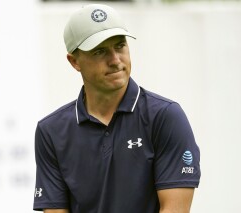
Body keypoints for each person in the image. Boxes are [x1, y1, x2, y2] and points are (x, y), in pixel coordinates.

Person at [33, 3, 200, 213]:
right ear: (74, 61)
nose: (115, 60)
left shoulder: (165, 116)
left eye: (120, 46)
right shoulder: (51, 132)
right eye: (100, 51)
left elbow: (175, 209)